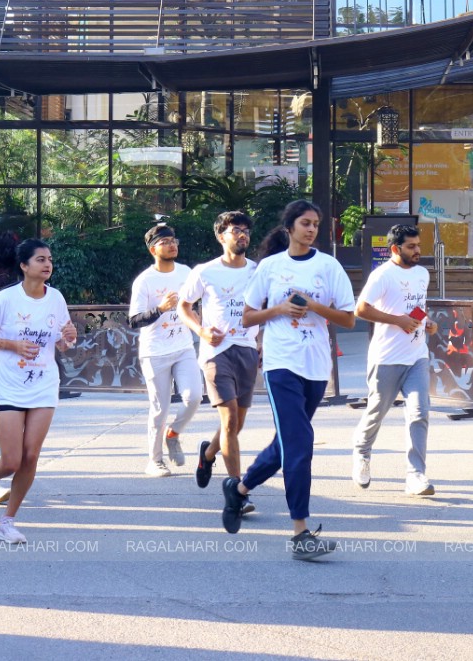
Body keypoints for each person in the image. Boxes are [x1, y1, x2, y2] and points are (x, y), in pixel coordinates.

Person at [225, 199, 355, 561]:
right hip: (281, 363)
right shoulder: (270, 266)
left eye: (316, 224)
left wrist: (313, 306)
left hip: (315, 366)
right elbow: (248, 318)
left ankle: (240, 488)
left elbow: (348, 319)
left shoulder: (329, 267)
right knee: (300, 444)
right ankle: (300, 532)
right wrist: (280, 309)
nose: (312, 229)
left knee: (285, 444)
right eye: (305, 223)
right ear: (289, 228)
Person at [0, 238, 77, 544]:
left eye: (49, 259)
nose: (47, 264)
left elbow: (63, 342)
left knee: (30, 457)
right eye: (40, 259)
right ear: (24, 266)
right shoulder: (5, 300)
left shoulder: (55, 298)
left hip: (43, 385)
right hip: (9, 387)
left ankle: (7, 521)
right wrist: (11, 345)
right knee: (11, 460)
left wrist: (69, 336)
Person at [178, 211, 260, 510]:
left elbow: (265, 306)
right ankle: (237, 492)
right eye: (236, 230)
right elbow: (183, 306)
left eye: (246, 231)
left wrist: (261, 344)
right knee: (229, 422)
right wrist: (200, 329)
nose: (242, 235)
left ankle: (208, 454)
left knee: (237, 425)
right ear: (221, 235)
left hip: (248, 350)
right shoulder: (205, 271)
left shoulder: (257, 271)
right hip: (217, 352)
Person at [352, 224, 437, 497]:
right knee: (377, 411)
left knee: (419, 414)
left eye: (418, 245)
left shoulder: (422, 274)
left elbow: (415, 307)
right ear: (395, 249)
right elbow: (361, 309)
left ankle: (415, 476)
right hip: (386, 358)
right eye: (411, 247)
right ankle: (362, 452)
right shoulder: (382, 275)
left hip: (416, 356)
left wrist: (427, 322)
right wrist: (396, 321)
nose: (417, 251)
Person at [129, 224, 203, 477]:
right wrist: (160, 309)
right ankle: (155, 460)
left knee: (194, 397)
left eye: (174, 240)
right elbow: (134, 320)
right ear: (153, 249)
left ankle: (173, 434)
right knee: (160, 408)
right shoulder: (145, 281)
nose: (172, 245)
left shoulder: (186, 273)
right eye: (165, 242)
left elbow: (195, 303)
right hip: (154, 351)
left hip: (183, 347)